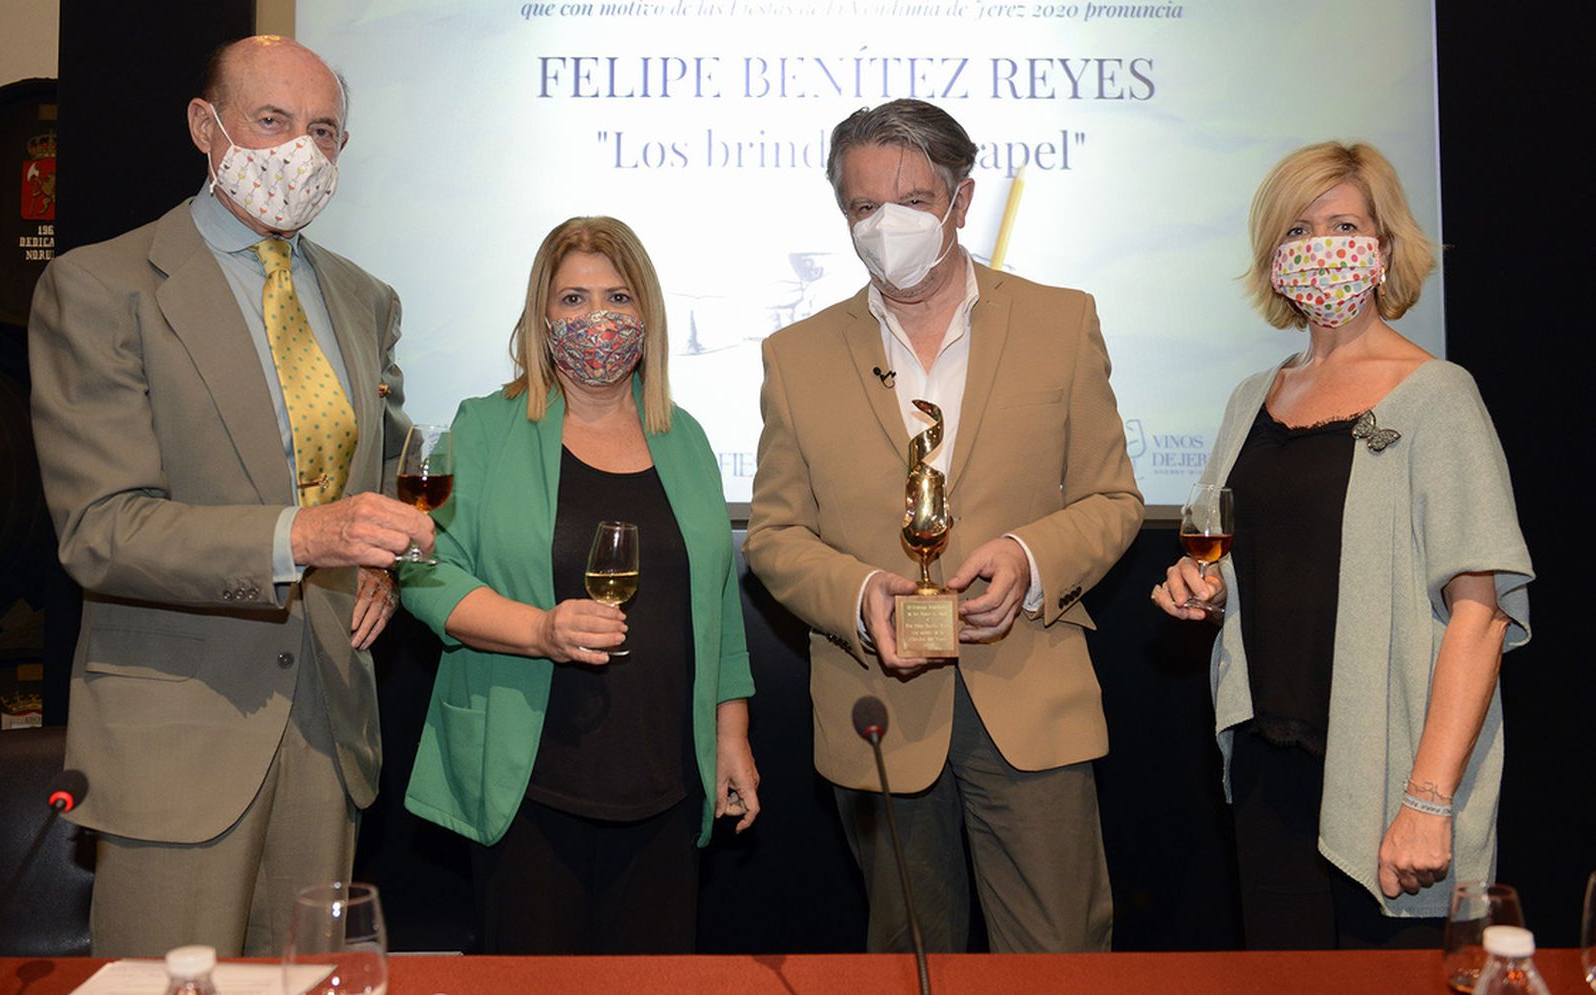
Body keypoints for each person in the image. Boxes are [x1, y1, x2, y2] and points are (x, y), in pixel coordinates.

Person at [27, 35, 433, 956]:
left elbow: (386, 474)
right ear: (205, 127)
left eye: (325, 129)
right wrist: (308, 535)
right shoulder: (102, 286)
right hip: (180, 732)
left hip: (330, 726)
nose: (303, 149)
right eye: (273, 121)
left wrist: (384, 566)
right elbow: (102, 529)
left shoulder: (367, 300)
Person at [744, 99, 1143, 953]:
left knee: (1060, 958)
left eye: (914, 202)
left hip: (1031, 694)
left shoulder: (1061, 321)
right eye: (863, 208)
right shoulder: (796, 355)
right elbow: (775, 534)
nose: (887, 225)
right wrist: (859, 596)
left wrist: (1031, 560)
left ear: (962, 202)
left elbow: (1113, 499)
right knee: (908, 961)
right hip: (879, 711)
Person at [1151, 141, 1533, 949]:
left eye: (1343, 224)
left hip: (1390, 770)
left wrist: (1429, 802)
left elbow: (1482, 615)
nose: (1319, 245)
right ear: (1273, 255)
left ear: (1384, 246)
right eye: (1297, 229)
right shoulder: (1253, 397)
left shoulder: (1437, 395)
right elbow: (1216, 550)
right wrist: (1197, 583)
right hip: (1267, 769)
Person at [399, 216, 758, 955]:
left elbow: (717, 605)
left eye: (618, 296)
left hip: (665, 781)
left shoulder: (685, 438)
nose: (598, 318)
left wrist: (732, 735)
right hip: (530, 786)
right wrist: (540, 631)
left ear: (647, 315)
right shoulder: (485, 427)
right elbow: (424, 572)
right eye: (573, 299)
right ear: (541, 316)